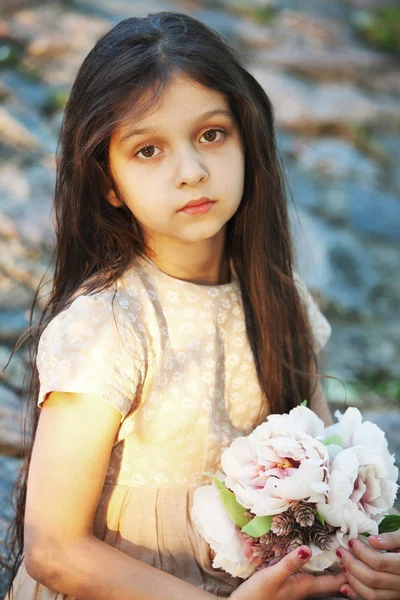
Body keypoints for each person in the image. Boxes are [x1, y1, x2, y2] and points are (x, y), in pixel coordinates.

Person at [3, 11, 399, 600]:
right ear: (107, 181)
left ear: (247, 140)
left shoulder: (277, 297)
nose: (191, 171)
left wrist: (360, 565)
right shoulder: (110, 323)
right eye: (148, 150)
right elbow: (55, 550)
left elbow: (322, 493)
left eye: (212, 134)